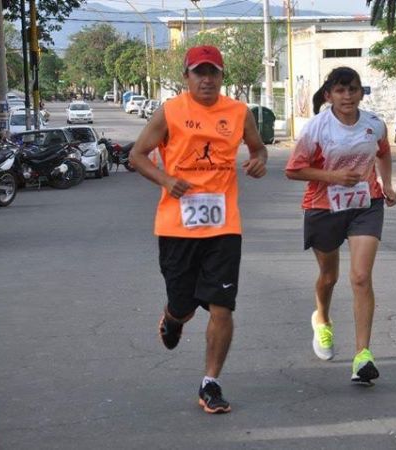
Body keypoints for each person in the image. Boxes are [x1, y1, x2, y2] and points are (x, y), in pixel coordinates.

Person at [129, 45, 268, 414]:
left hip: (224, 226)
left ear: (222, 76)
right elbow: (137, 155)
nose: (206, 79)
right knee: (184, 305)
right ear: (186, 76)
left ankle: (211, 382)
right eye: (198, 72)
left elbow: (258, 149)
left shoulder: (238, 112)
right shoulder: (170, 111)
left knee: (222, 307)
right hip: (177, 227)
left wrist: (258, 161)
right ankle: (173, 317)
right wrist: (165, 178)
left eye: (213, 72)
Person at [285, 66, 396, 384]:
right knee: (329, 276)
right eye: (340, 90)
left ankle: (362, 356)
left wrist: (386, 184)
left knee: (360, 277)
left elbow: (384, 154)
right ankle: (322, 318)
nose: (347, 96)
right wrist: (333, 177)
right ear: (329, 95)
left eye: (353, 90)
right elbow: (294, 170)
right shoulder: (317, 129)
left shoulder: (374, 124)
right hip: (324, 206)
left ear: (361, 92)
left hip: (366, 205)